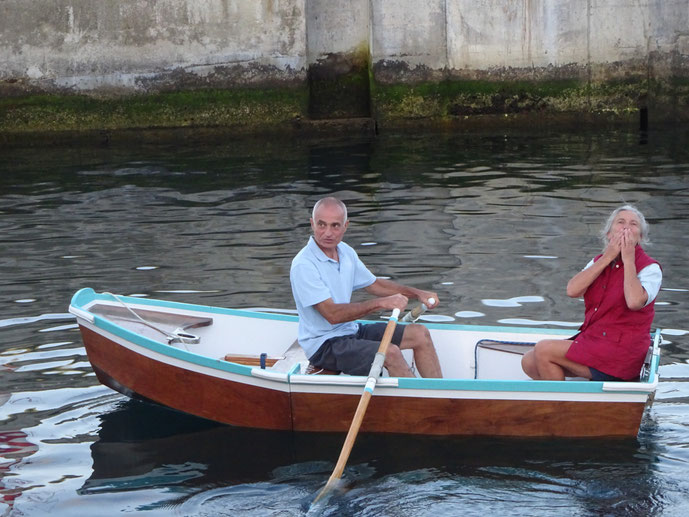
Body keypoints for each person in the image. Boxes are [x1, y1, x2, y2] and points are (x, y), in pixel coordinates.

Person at [290, 197, 443, 378]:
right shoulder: (304, 265)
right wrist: (380, 304)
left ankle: (438, 398)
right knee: (390, 352)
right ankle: (420, 403)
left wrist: (418, 294)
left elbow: (375, 284)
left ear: (345, 226)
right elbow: (332, 315)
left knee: (420, 334)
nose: (328, 233)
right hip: (324, 345)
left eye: (335, 226)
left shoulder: (345, 251)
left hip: (351, 330)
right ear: (312, 224)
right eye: (321, 225)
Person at [522, 205, 662, 382]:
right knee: (529, 361)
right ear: (609, 234)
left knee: (544, 349)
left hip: (622, 353)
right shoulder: (600, 261)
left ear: (639, 237)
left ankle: (563, 407)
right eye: (621, 222)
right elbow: (572, 290)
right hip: (595, 341)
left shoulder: (651, 268)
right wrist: (607, 257)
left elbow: (634, 302)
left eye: (633, 224)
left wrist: (628, 260)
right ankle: (577, 403)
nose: (626, 227)